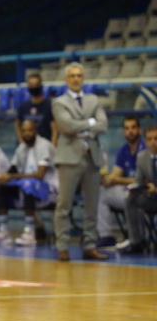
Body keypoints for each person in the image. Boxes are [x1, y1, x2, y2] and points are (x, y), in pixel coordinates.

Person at [52, 61, 108, 261]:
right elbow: (66, 125)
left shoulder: (94, 100)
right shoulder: (59, 102)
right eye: (72, 76)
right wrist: (91, 123)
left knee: (92, 205)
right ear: (66, 79)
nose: (76, 79)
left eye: (79, 75)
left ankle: (90, 245)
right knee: (64, 205)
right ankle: (62, 246)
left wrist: (82, 127)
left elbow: (103, 125)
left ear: (83, 78)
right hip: (69, 158)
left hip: (92, 157)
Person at [0, 120, 58, 246]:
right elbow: (13, 168)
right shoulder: (22, 148)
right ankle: (4, 231)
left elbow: (40, 175)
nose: (27, 133)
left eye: (30, 130)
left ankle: (30, 232)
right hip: (26, 185)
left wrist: (12, 176)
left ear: (35, 131)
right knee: (0, 185)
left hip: (49, 189)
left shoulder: (44, 145)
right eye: (24, 131)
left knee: (29, 184)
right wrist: (5, 176)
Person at [96, 116, 145, 249]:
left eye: (133, 128)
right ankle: (107, 236)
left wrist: (118, 180)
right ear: (123, 132)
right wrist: (107, 180)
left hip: (143, 192)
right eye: (127, 128)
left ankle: (137, 239)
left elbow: (145, 181)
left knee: (132, 197)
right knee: (101, 192)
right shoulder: (123, 150)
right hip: (127, 190)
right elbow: (116, 175)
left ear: (139, 130)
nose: (130, 131)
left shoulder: (145, 149)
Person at [121, 125, 157, 254]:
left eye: (156, 139)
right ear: (145, 141)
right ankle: (136, 241)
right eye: (150, 139)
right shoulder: (142, 157)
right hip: (151, 197)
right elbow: (138, 180)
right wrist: (137, 188)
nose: (153, 142)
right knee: (130, 199)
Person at [15, 73, 58, 145]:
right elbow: (18, 125)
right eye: (31, 85)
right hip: (28, 145)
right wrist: (22, 142)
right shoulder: (23, 106)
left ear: (41, 86)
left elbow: (55, 129)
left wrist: (53, 146)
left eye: (36, 84)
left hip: (45, 145)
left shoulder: (49, 105)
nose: (34, 87)